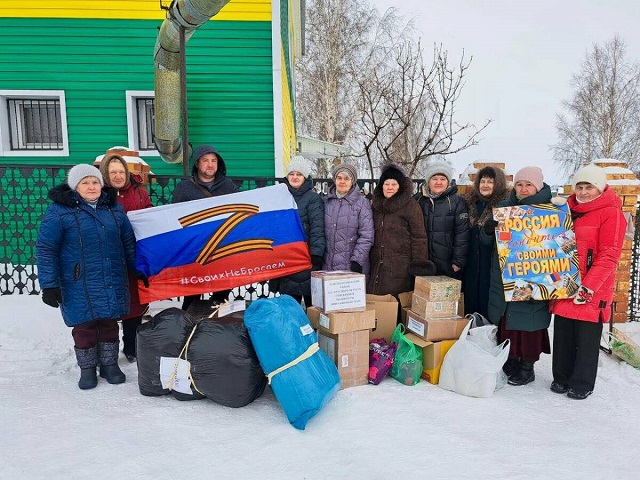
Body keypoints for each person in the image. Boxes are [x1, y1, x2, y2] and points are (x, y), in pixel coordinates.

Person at [37, 164, 145, 390]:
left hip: (111, 276)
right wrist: (49, 284)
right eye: (85, 183)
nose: (91, 187)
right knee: (84, 325)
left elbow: (128, 243)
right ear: (75, 186)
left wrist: (138, 268)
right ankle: (87, 369)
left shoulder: (114, 210)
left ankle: (109, 365)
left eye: (95, 182)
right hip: (77, 281)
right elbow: (47, 248)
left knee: (109, 322)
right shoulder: (59, 212)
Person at [551, 163, 625, 400]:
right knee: (563, 334)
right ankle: (561, 377)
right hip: (566, 281)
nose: (583, 192)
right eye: (579, 187)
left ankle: (581, 383)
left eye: (589, 187)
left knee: (586, 339)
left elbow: (610, 254)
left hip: (592, 286)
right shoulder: (568, 210)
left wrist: (589, 286)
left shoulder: (611, 212)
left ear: (600, 188)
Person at [480, 166, 556, 386]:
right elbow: (487, 244)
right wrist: (487, 230)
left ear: (538, 187)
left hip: (534, 278)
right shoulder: (504, 208)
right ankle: (510, 360)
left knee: (528, 325)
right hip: (505, 277)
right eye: (520, 184)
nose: (523, 189)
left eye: (529, 185)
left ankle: (526, 366)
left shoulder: (549, 210)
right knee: (508, 322)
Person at [99, 153, 153, 363]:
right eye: (113, 172)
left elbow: (149, 217)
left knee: (134, 304)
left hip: (133, 255)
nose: (118, 176)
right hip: (108, 257)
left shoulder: (139, 193)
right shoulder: (99, 194)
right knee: (109, 305)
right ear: (105, 173)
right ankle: (109, 350)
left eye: (121, 171)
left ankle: (131, 347)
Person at [172, 144, 240, 310]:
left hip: (221, 250)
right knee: (191, 297)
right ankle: (188, 330)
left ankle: (214, 331)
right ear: (197, 163)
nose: (210, 165)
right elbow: (173, 219)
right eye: (205, 160)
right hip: (195, 252)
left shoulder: (229, 187)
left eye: (214, 161)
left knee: (220, 299)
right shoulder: (184, 189)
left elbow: (244, 206)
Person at [368, 164, 435, 297]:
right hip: (376, 265)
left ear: (400, 186)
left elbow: (419, 237)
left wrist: (419, 264)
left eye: (394, 184)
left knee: (396, 303)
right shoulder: (375, 206)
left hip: (400, 267)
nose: (390, 187)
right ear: (381, 186)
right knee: (376, 302)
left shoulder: (411, 206)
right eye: (387, 184)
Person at [271, 156, 325, 307]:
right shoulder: (279, 196)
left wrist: (316, 253)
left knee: (312, 306)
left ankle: (311, 330)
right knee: (289, 306)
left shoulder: (313, 198)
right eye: (292, 174)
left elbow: (317, 227)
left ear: (305, 177)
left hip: (306, 257)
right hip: (286, 257)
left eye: (299, 174)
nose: (295, 177)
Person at [463, 166, 509, 318]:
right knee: (469, 304)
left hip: (492, 264)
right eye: (482, 181)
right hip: (470, 264)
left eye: (490, 181)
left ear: (499, 184)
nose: (485, 185)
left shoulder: (505, 205)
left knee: (487, 304)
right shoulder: (469, 202)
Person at [417, 161, 470, 279]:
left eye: (443, 179)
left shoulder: (457, 202)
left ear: (448, 182)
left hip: (448, 262)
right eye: (434, 178)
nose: (439, 182)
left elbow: (462, 233)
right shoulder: (419, 200)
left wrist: (458, 261)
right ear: (428, 181)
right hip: (424, 262)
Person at [322, 163, 374, 275]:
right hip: (327, 266)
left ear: (352, 181)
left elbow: (367, 235)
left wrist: (357, 260)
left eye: (346, 178)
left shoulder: (361, 204)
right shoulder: (326, 202)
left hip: (351, 267)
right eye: (339, 178)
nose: (342, 181)